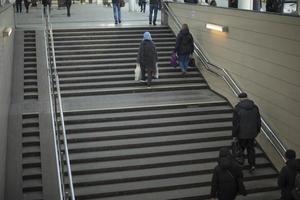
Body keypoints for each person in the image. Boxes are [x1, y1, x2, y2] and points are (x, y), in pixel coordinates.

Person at [232, 92, 261, 173]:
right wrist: (257, 131)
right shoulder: (255, 107)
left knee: (240, 149)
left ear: (240, 99)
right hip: (252, 134)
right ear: (247, 97)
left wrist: (234, 135)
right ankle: (252, 165)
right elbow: (258, 120)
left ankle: (240, 164)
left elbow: (235, 123)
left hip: (241, 134)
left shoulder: (238, 108)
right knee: (251, 149)